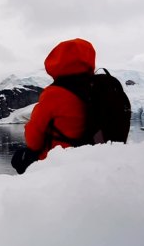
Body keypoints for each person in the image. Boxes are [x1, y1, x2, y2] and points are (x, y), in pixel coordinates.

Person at [12, 38, 96, 173]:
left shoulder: (54, 94)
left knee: (19, 158)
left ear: (57, 61)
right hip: (94, 156)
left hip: (60, 163)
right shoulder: (97, 88)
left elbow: (33, 141)